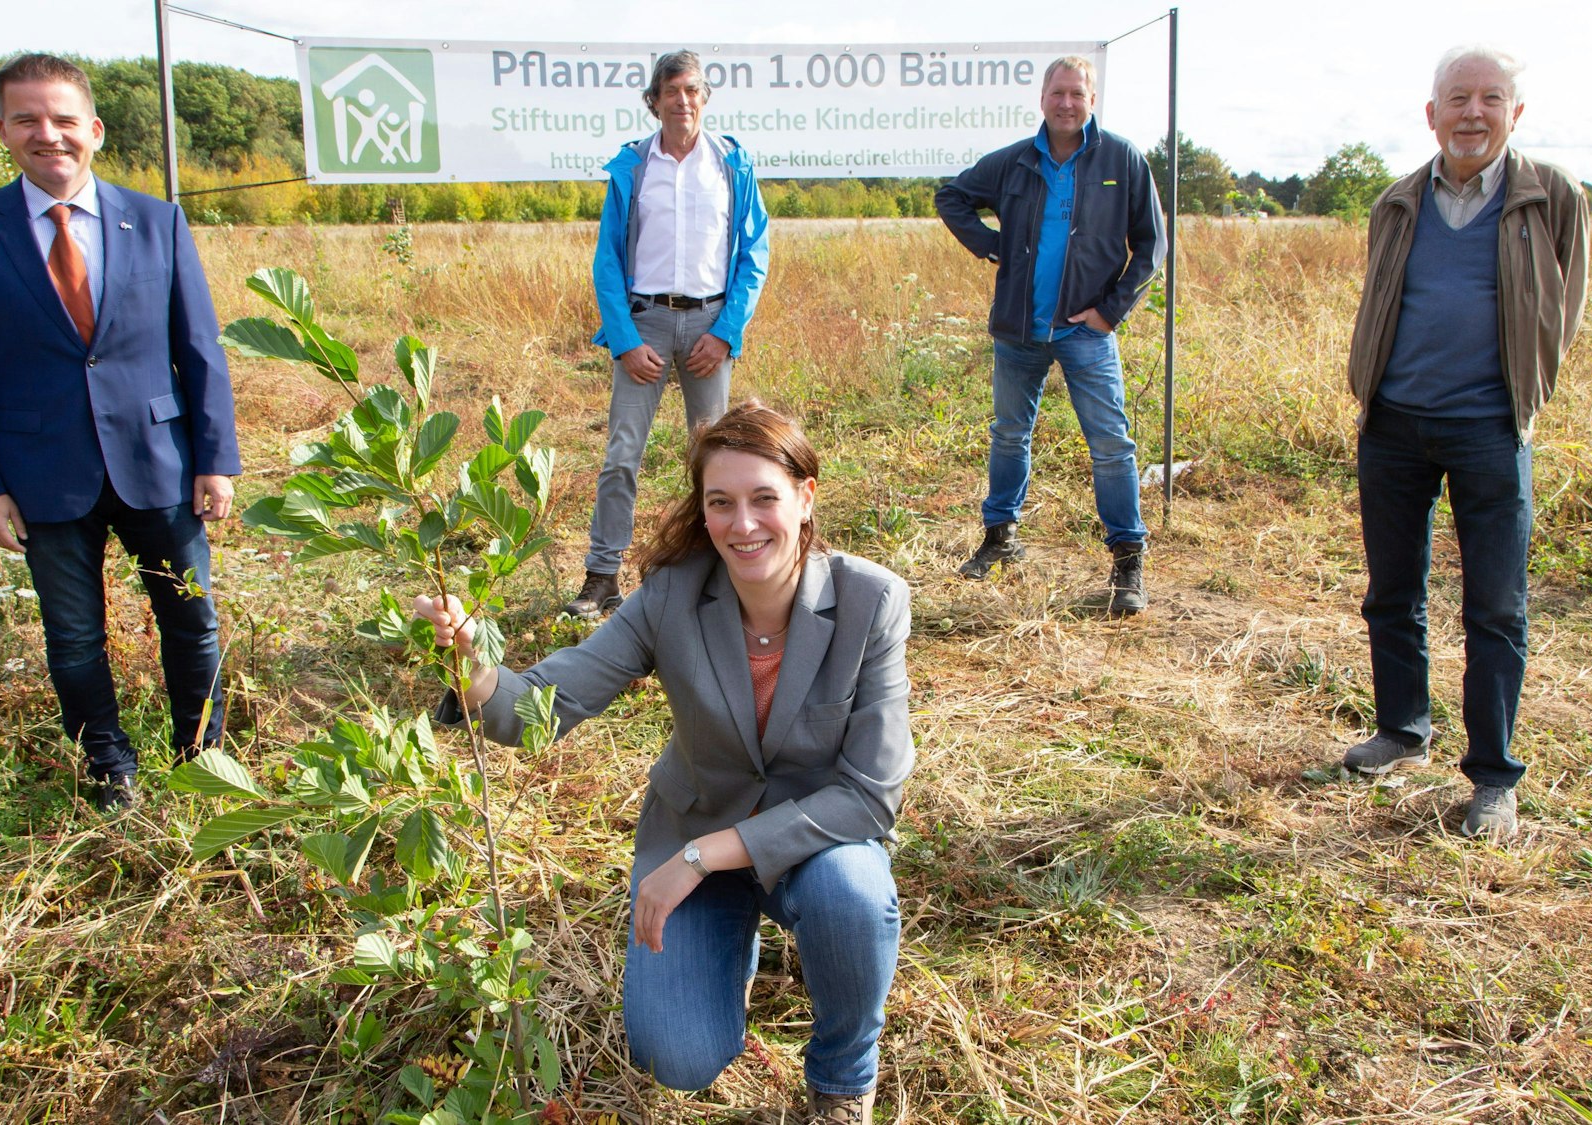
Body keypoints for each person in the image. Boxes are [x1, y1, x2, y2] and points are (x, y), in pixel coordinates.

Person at [418, 403, 908, 1124]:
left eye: (764, 498)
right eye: (721, 502)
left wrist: (704, 855)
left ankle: (841, 1079)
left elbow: (870, 795)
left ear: (805, 498)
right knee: (677, 1057)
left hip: (812, 846)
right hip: (693, 830)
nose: (743, 524)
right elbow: (549, 703)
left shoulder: (872, 600)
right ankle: (729, 951)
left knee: (854, 895)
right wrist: (475, 665)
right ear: (702, 510)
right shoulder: (673, 595)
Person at [0, 54, 241, 813]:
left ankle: (202, 755)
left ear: (94, 130)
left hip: (159, 462)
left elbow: (198, 348)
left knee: (193, 621)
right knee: (73, 636)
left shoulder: (158, 221)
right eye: (28, 119)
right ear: (4, 131)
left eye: (64, 119)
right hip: (39, 470)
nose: (49, 135)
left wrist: (215, 457)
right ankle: (109, 767)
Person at [1339, 45, 1589, 838]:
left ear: (1515, 113)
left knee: (1496, 607)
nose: (1472, 113)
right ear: (1432, 114)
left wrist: (1525, 390)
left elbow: (1565, 307)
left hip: (1489, 428)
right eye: (1457, 98)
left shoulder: (1551, 196)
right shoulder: (1397, 201)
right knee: (1391, 590)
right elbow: (1383, 298)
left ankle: (1492, 777)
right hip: (1393, 425)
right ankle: (1402, 728)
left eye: (1490, 98)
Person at [934, 55, 1166, 614]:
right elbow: (951, 196)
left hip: (1086, 332)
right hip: (1019, 329)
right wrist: (991, 245)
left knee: (1111, 446)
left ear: (1092, 101)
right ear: (1042, 98)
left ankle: (1127, 562)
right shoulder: (1014, 161)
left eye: (1077, 94)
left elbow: (1152, 245)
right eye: (1058, 93)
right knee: (1009, 434)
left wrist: (1110, 311)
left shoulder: (1122, 159)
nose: (1066, 103)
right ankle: (1000, 538)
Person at [569, 49, 771, 620]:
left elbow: (754, 254)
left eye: (692, 90)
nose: (683, 101)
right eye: (672, 91)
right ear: (654, 101)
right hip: (645, 327)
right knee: (622, 454)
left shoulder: (732, 165)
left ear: (704, 98)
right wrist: (625, 339)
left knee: (717, 461)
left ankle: (714, 576)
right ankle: (602, 576)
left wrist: (727, 332)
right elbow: (608, 261)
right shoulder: (633, 167)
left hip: (710, 328)